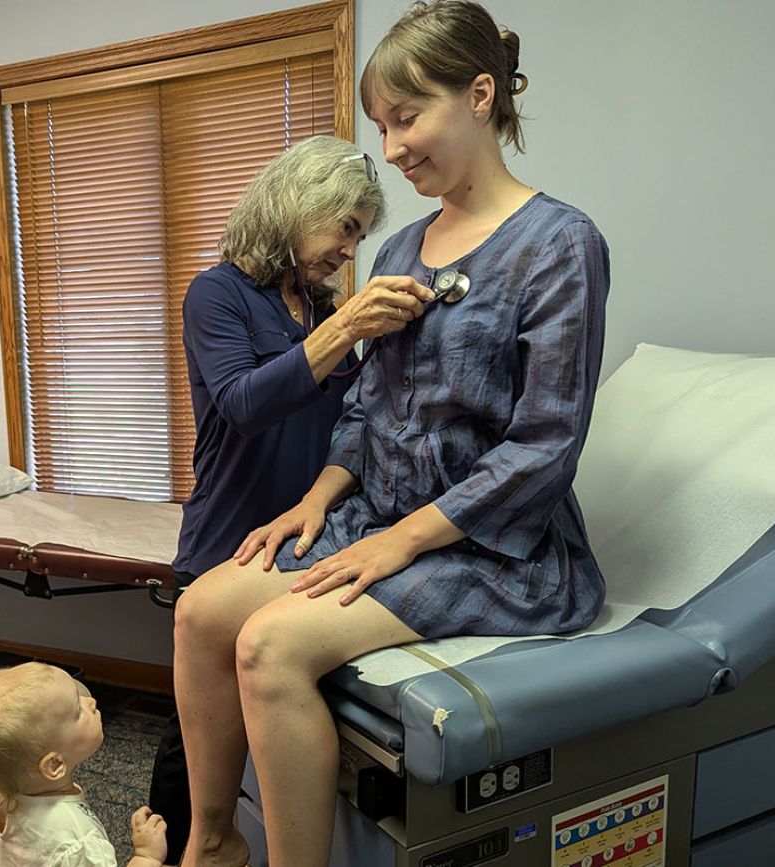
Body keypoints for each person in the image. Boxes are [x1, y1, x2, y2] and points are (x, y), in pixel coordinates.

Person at [173, 3, 612, 866]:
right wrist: (316, 500)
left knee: (268, 642)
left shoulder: (560, 244)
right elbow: (366, 406)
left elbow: (545, 448)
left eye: (408, 118)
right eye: (384, 127)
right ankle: (212, 840)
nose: (395, 145)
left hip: (491, 545)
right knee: (198, 613)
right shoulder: (400, 251)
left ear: (480, 95)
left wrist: (401, 542)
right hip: (380, 520)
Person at [149, 134, 434, 862]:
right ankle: (182, 849)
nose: (350, 249)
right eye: (344, 229)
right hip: (230, 539)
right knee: (194, 745)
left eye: (361, 237)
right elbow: (244, 402)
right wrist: (346, 329)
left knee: (270, 713)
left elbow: (357, 422)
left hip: (309, 542)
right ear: (296, 207)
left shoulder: (319, 305)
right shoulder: (217, 294)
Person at [0, 663, 169, 867]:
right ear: (55, 765)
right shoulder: (77, 839)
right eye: (78, 710)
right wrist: (146, 856)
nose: (91, 701)